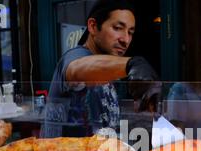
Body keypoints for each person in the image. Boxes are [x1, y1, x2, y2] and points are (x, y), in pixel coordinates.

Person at [44, 0, 160, 138]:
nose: (126, 40)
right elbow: (76, 68)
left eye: (130, 32)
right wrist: (132, 64)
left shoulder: (109, 67)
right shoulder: (75, 56)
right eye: (117, 28)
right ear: (93, 26)